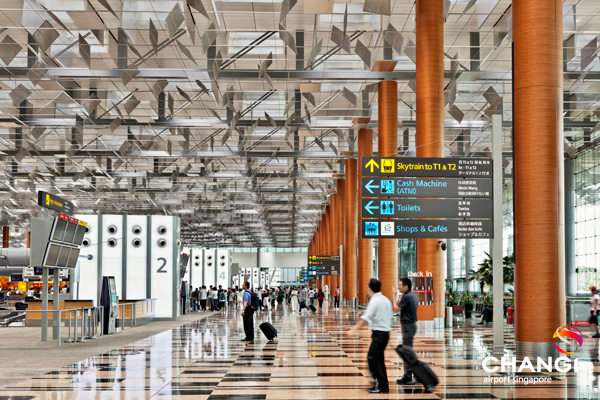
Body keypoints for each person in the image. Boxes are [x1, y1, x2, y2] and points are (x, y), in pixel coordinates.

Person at [347, 279, 392, 394]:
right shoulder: (386, 300)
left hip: (379, 334)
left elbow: (365, 317)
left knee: (376, 360)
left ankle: (383, 387)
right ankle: (380, 383)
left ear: (370, 288)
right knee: (373, 358)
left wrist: (353, 329)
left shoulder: (375, 301)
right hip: (385, 333)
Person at [393, 277, 419, 385]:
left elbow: (395, 309)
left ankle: (415, 376)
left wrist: (394, 296)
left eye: (400, 285)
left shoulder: (406, 296)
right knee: (407, 352)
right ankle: (407, 376)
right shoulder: (412, 296)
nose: (398, 287)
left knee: (408, 353)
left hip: (408, 326)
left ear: (406, 286)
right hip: (410, 326)